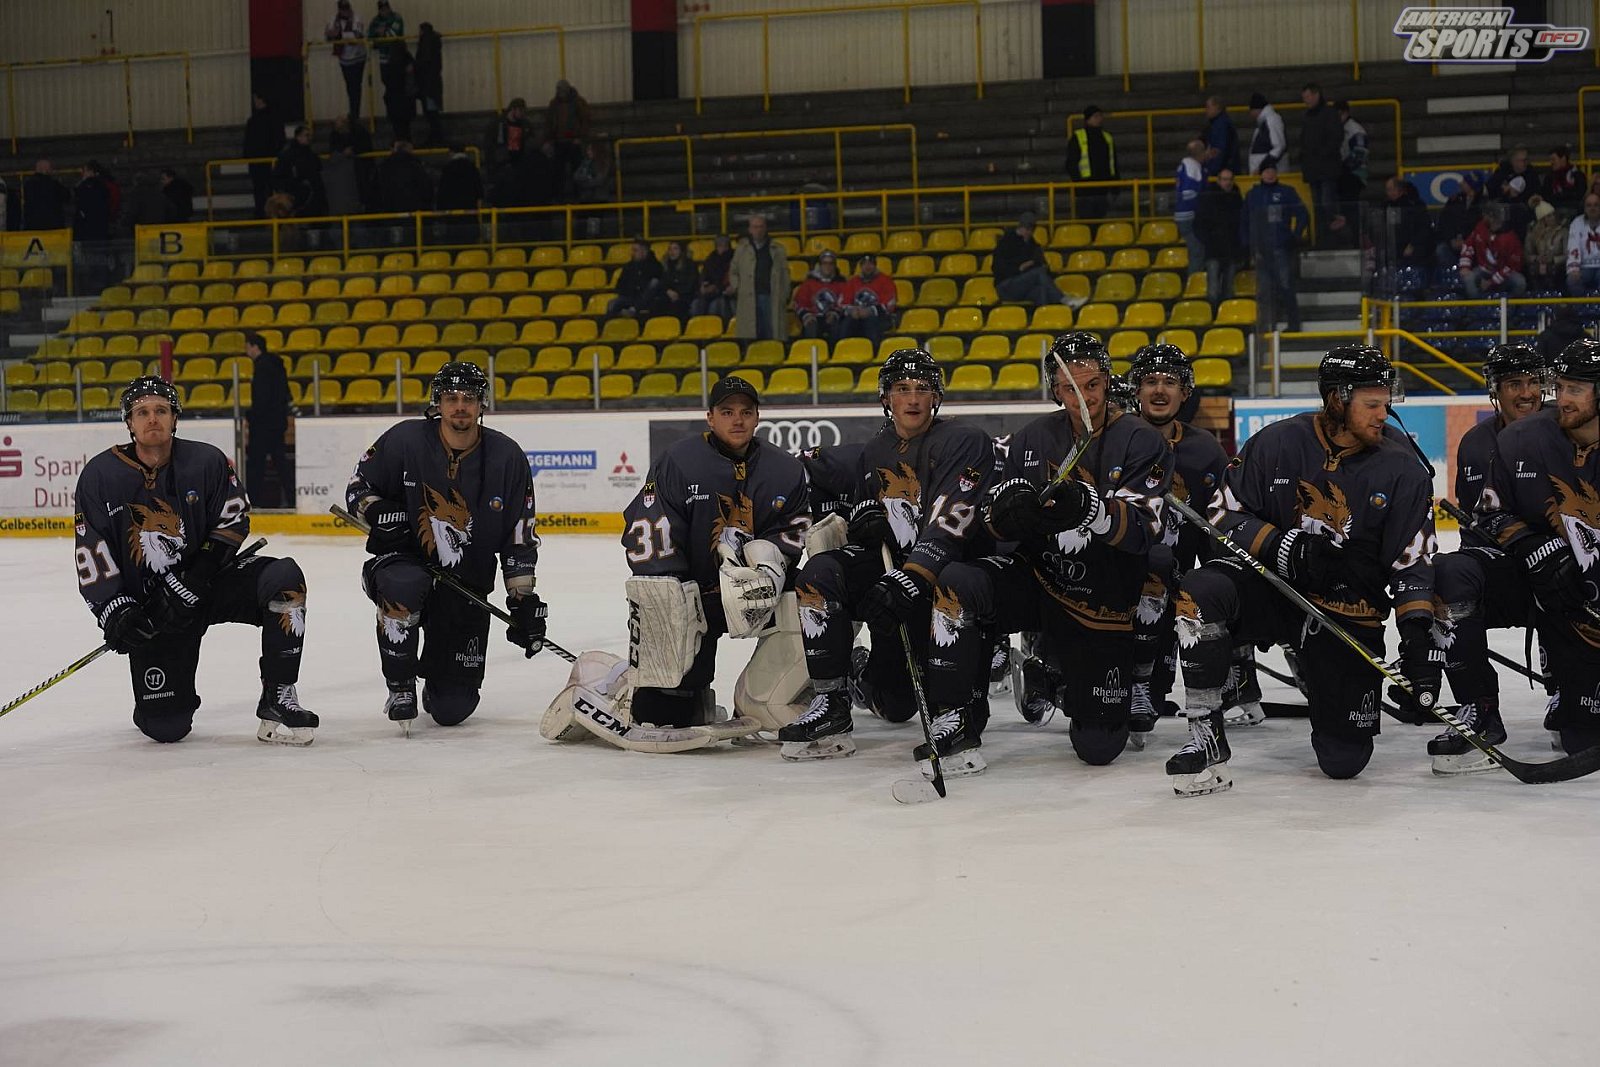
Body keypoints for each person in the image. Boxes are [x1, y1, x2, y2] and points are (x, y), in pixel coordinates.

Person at [1168, 347, 1436, 794]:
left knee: (1343, 759)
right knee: (1201, 590)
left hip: (1345, 606)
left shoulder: (1402, 465)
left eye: (1386, 403)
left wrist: (1418, 636)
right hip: (1273, 588)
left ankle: (1319, 669)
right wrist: (1280, 545)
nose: (1383, 414)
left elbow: (1413, 558)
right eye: (1372, 404)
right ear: (1336, 400)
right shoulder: (1277, 443)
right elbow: (1220, 514)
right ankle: (1205, 735)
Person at [552, 375, 811, 747]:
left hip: (758, 592)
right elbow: (648, 536)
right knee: (666, 715)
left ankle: (780, 695)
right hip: (694, 597)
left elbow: (793, 529)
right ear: (710, 417)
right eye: (727, 412)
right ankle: (614, 678)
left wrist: (769, 569)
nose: (737, 420)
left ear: (757, 417)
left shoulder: (784, 469)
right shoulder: (678, 462)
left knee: (813, 594)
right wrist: (675, 600)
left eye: (746, 412)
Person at [955, 333, 1170, 765]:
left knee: (1099, 747)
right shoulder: (1031, 437)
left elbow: (1144, 530)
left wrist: (1091, 508)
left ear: (1107, 382)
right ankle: (958, 713)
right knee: (961, 580)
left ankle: (1052, 677)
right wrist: (1006, 515)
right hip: (1042, 577)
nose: (1083, 397)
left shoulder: (1142, 439)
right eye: (1070, 388)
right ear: (1055, 390)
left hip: (1104, 591)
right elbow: (995, 527)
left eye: (1092, 385)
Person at [777, 348, 995, 773]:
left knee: (960, 710)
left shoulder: (965, 440)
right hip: (897, 585)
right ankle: (831, 701)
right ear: (886, 397)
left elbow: (952, 520)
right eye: (902, 388)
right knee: (821, 573)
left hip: (946, 584)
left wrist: (912, 575)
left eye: (922, 389)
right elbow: (868, 512)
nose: (912, 398)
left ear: (936, 397)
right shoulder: (876, 449)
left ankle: (955, 708)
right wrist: (864, 522)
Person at [74, 377, 317, 746]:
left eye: (161, 410)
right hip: (157, 609)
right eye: (142, 412)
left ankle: (278, 695)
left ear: (175, 418)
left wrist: (199, 572)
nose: (152, 418)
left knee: (284, 578)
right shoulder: (99, 475)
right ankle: (159, 701)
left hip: (208, 584)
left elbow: (234, 519)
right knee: (166, 727)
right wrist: (118, 611)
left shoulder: (207, 461)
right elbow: (91, 553)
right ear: (129, 422)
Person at [346, 361, 545, 732]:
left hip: (466, 584)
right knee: (403, 586)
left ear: (482, 404)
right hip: (404, 562)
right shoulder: (405, 440)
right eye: (451, 398)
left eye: (469, 398)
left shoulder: (508, 457)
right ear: (437, 402)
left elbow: (518, 536)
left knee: (452, 708)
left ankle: (439, 676)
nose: (460, 406)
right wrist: (378, 513)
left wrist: (523, 600)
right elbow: (358, 489)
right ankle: (401, 685)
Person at [1426, 343, 1550, 773]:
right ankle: (1478, 709)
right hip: (1506, 572)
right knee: (1451, 572)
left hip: (1562, 573)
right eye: (1515, 384)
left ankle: (1568, 686)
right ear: (1495, 389)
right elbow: (1475, 529)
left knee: (1578, 733)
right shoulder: (1476, 443)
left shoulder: (1568, 430)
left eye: (1533, 382)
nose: (1527, 393)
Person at [1475, 338, 1600, 757]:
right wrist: (1532, 546)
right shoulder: (1521, 439)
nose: (1561, 399)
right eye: (1559, 387)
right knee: (1581, 739)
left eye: (1575, 389)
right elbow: (1489, 514)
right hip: (1568, 602)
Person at [1128, 343, 1229, 737]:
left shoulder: (1205, 449)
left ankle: (1238, 674)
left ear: (1185, 392)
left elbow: (1217, 530)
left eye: (1169, 382)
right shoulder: (1114, 438)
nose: (1159, 390)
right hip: (1116, 582)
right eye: (1150, 381)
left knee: (1227, 577)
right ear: (1136, 389)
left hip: (1174, 584)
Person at [1242, 162, 1309, 332]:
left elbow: (1303, 214)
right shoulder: (1253, 195)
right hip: (1260, 250)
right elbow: (1245, 222)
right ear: (1261, 174)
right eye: (1267, 171)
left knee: (1286, 285)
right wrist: (1248, 244)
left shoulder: (1286, 192)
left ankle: (1293, 323)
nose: (1270, 174)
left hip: (1281, 247)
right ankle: (1266, 325)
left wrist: (1294, 236)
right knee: (1264, 290)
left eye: (1273, 171)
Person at [244, 333, 293, 509]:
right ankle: (292, 497)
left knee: (256, 464)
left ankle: (253, 500)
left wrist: (251, 416)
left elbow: (262, 398)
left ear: (255, 346)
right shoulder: (277, 365)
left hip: (263, 424)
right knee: (280, 462)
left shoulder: (262, 367)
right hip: (277, 421)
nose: (246, 351)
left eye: (248, 346)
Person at [729, 214, 789, 341]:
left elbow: (785, 274)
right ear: (750, 229)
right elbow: (733, 271)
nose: (758, 230)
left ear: (765, 228)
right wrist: (738, 287)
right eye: (755, 227)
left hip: (771, 296)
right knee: (752, 336)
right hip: (748, 298)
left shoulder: (778, 250)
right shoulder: (741, 250)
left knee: (771, 333)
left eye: (761, 227)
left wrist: (783, 295)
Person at [1299, 83, 1344, 245]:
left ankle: (1334, 234)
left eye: (1308, 96)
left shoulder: (1329, 114)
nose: (1306, 100)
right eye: (1304, 98)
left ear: (1316, 94)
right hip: (1314, 169)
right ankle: (1323, 237)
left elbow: (1336, 138)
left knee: (1327, 202)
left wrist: (1321, 154)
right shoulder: (1308, 116)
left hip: (1326, 168)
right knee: (1318, 206)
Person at [993, 211, 1067, 307]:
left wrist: (1039, 266)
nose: (1028, 232)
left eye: (1031, 230)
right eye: (1026, 229)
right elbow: (997, 268)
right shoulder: (1006, 241)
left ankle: (1045, 314)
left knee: (1041, 291)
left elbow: (1042, 266)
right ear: (1020, 227)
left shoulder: (1033, 245)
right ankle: (1064, 300)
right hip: (1006, 286)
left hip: (1024, 285)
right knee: (1038, 273)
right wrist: (1019, 268)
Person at [1196, 168, 1244, 307]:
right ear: (1218, 180)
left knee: (1228, 288)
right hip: (1214, 249)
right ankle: (1213, 313)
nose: (1227, 183)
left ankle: (1224, 314)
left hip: (1231, 249)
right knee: (1213, 289)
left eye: (1230, 179)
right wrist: (1207, 240)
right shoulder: (1208, 198)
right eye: (1224, 179)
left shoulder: (1237, 198)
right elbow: (1199, 223)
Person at [1458, 202, 1526, 298]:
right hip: (1484, 269)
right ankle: (1477, 305)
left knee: (1520, 282)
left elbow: (1512, 266)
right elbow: (1469, 245)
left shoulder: (1511, 237)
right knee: (1468, 278)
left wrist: (1492, 281)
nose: (1484, 217)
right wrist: (1465, 266)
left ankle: (1508, 306)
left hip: (1503, 272)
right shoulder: (1481, 227)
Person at [1067, 105, 1117, 219]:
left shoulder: (1107, 137)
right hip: (1085, 189)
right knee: (1087, 221)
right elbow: (1071, 163)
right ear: (1087, 119)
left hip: (1103, 188)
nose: (1099, 119)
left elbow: (1113, 162)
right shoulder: (1078, 136)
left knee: (1100, 221)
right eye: (1096, 116)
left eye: (1100, 116)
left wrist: (1115, 186)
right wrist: (1079, 183)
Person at [840, 252, 897, 346]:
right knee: (846, 323)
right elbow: (843, 302)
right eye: (864, 264)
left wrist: (870, 311)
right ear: (861, 266)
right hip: (857, 317)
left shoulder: (886, 281)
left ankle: (874, 352)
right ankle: (844, 350)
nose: (867, 266)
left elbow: (890, 304)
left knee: (870, 322)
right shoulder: (852, 282)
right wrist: (852, 310)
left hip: (879, 317)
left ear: (875, 265)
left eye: (870, 264)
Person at [367, 0, 406, 136]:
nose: (384, 11)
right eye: (382, 9)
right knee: (388, 90)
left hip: (397, 60)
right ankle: (392, 117)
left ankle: (399, 121)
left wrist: (380, 34)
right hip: (384, 61)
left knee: (398, 91)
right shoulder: (375, 21)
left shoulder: (397, 18)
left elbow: (393, 35)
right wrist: (380, 35)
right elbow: (369, 38)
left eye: (386, 8)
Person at [242, 95, 285, 218]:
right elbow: (280, 140)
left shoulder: (253, 121)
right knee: (269, 189)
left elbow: (248, 142)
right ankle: (271, 214)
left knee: (259, 190)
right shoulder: (275, 118)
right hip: (269, 160)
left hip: (257, 161)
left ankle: (261, 214)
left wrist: (248, 156)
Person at [324, 0, 367, 120]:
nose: (346, 12)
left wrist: (339, 35)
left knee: (355, 87)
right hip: (344, 59)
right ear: (339, 10)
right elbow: (327, 36)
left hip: (358, 58)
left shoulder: (357, 18)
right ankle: (353, 114)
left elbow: (357, 36)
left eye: (347, 9)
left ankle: (355, 115)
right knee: (350, 87)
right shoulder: (334, 19)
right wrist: (332, 35)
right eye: (343, 9)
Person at [793, 249, 848, 340]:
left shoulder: (841, 283)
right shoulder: (809, 283)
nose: (827, 266)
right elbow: (799, 303)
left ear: (835, 266)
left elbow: (845, 302)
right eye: (824, 263)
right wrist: (807, 315)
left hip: (834, 318)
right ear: (820, 265)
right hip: (813, 317)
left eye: (830, 263)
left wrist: (835, 313)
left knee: (839, 326)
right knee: (810, 326)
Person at [546, 79, 591, 192]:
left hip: (573, 141)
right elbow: (549, 122)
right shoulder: (555, 104)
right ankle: (561, 194)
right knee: (559, 170)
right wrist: (550, 138)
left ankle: (577, 193)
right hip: (560, 141)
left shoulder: (577, 102)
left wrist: (580, 137)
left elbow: (585, 120)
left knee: (576, 169)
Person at [273, 126, 326, 217]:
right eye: (307, 135)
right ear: (298, 137)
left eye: (310, 135)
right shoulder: (287, 156)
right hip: (297, 196)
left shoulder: (312, 156)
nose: (309, 138)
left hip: (312, 197)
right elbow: (278, 177)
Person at [1434, 176, 1483, 273]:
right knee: (1441, 250)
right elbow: (1444, 222)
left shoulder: (1482, 203)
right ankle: (1450, 276)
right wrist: (1451, 239)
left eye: (1465, 182)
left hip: (1473, 244)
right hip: (1453, 242)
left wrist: (1466, 241)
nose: (1461, 184)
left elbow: (1481, 228)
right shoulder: (1455, 200)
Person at [1486, 145, 1537, 237]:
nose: (1525, 163)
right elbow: (1491, 190)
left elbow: (1535, 191)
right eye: (1522, 160)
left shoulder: (1531, 172)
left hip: (1525, 214)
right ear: (1513, 161)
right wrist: (1505, 192)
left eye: (1526, 160)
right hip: (1505, 215)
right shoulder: (1502, 171)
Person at [606, 237, 662, 319]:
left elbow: (657, 287)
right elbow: (619, 286)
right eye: (632, 250)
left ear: (644, 251)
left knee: (654, 283)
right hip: (631, 297)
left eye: (635, 250)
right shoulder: (628, 266)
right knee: (612, 304)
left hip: (648, 300)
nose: (632, 253)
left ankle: (634, 309)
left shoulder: (656, 266)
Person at [1174, 137, 1207, 276]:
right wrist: (1200, 206)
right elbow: (1188, 192)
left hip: (1183, 214)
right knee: (1197, 251)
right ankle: (1194, 280)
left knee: (1197, 249)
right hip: (1189, 215)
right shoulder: (1192, 167)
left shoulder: (1185, 165)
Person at [1336, 100, 1369, 230]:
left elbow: (1360, 154)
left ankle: (1356, 234)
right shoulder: (1339, 129)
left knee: (1350, 208)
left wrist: (1343, 168)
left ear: (1345, 113)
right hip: (1342, 174)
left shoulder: (1355, 130)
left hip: (1354, 175)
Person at [375, 140, 432, 214]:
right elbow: (426, 189)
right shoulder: (416, 167)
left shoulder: (383, 167)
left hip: (389, 213)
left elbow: (376, 192)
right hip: (414, 213)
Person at [1524, 198, 1568, 291]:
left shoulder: (1563, 232)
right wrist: (1537, 258)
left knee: (1551, 269)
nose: (1553, 218)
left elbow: (1567, 254)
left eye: (1553, 214)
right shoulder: (1533, 234)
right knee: (1534, 269)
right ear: (1542, 220)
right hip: (1539, 263)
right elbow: (1527, 254)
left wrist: (1553, 259)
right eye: (1549, 216)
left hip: (1557, 264)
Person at [412, 21, 443, 147]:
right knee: (432, 112)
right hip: (433, 84)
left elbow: (424, 62)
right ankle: (436, 137)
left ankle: (435, 137)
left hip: (427, 84)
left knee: (430, 113)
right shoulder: (434, 43)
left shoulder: (426, 44)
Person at [691, 233, 734, 320]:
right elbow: (704, 274)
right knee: (696, 305)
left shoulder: (734, 258)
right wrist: (703, 286)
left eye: (724, 245)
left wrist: (716, 287)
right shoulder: (711, 258)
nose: (722, 247)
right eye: (719, 245)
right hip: (709, 292)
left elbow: (729, 279)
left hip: (724, 292)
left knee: (715, 307)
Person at [485, 97, 535, 171]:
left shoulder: (525, 124)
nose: (522, 113)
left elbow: (531, 140)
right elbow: (493, 144)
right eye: (520, 110)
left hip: (520, 160)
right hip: (504, 162)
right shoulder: (499, 124)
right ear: (513, 109)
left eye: (524, 111)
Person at [21, 160, 70, 231]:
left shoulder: (28, 185)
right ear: (46, 170)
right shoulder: (54, 184)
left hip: (33, 226)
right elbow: (67, 197)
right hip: (54, 225)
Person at [1566, 191, 1600, 294]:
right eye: (1589, 205)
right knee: (1572, 280)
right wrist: (1574, 269)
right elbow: (1573, 246)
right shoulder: (1577, 223)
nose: (1592, 208)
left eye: (1596, 205)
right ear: (1584, 208)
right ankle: (1582, 304)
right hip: (1584, 267)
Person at [1246, 91, 1287, 174]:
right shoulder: (1265, 122)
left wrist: (1263, 166)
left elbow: (1279, 147)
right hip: (1266, 171)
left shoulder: (1271, 120)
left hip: (1269, 172)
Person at [1199, 95, 1238, 178]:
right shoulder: (1218, 124)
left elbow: (1219, 150)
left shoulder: (1220, 125)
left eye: (1208, 107)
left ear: (1217, 107)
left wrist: (1211, 171)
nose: (1206, 110)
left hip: (1221, 173)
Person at [435, 144, 483, 212]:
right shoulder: (472, 167)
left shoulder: (448, 168)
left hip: (452, 209)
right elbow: (479, 189)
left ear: (452, 152)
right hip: (470, 208)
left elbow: (442, 190)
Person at [1542, 144, 1585, 214]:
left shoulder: (1578, 175)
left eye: (1553, 159)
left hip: (1574, 211)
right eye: (1550, 160)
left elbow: (1579, 195)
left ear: (1563, 159)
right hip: (1554, 213)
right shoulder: (1549, 178)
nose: (1551, 162)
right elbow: (1547, 197)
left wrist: (1559, 196)